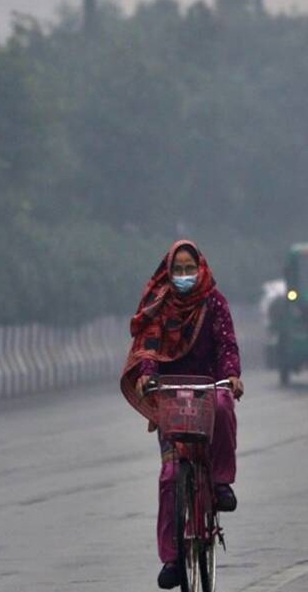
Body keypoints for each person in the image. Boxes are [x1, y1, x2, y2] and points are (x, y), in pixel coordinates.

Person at [119, 240, 245, 590]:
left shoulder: (214, 302)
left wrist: (232, 374)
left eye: (190, 268)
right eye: (179, 269)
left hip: (208, 389)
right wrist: (146, 373)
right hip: (172, 395)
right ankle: (173, 560)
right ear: (169, 272)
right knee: (171, 476)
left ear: (200, 269)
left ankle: (221, 483)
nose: (185, 275)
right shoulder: (159, 305)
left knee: (223, 406)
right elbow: (148, 347)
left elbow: (227, 345)